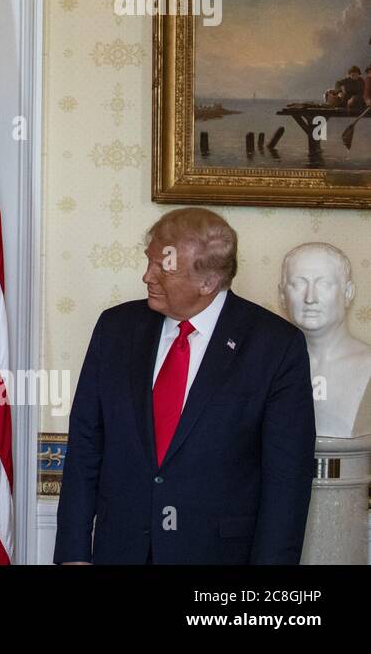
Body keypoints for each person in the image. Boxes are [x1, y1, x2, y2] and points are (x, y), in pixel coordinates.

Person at [54, 207, 315, 564]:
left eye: (164, 268)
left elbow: (287, 482)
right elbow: (85, 447)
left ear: (208, 283)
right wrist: (73, 555)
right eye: (150, 262)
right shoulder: (115, 329)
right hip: (120, 551)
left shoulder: (275, 346)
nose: (147, 276)